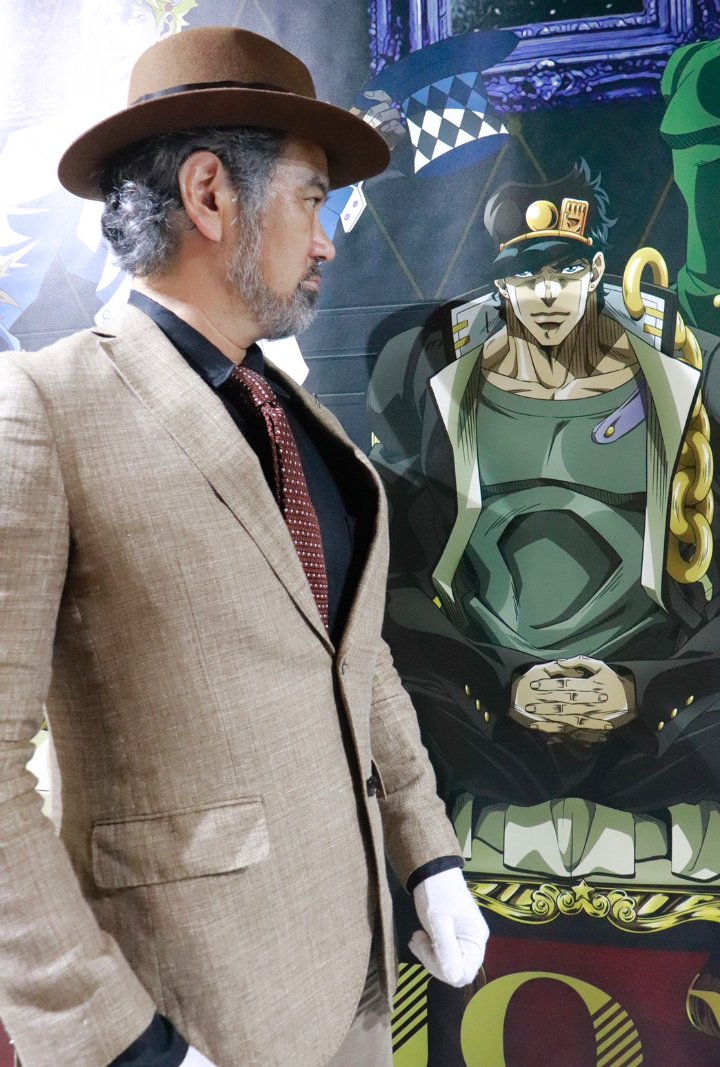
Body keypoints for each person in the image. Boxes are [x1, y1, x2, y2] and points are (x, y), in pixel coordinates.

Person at [0, 27, 490, 1067]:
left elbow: (352, 650)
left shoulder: (303, 419)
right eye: (313, 200)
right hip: (195, 1021)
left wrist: (427, 850)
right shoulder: (43, 408)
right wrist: (120, 1042)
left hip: (363, 990)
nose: (328, 242)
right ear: (212, 194)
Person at [368, 162, 720, 866]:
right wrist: (502, 682)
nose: (548, 292)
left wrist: (640, 689)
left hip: (651, 686)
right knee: (398, 702)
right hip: (485, 692)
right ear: (501, 286)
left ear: (597, 270)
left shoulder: (689, 370)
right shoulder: (430, 374)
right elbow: (398, 577)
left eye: (565, 270)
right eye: (527, 276)